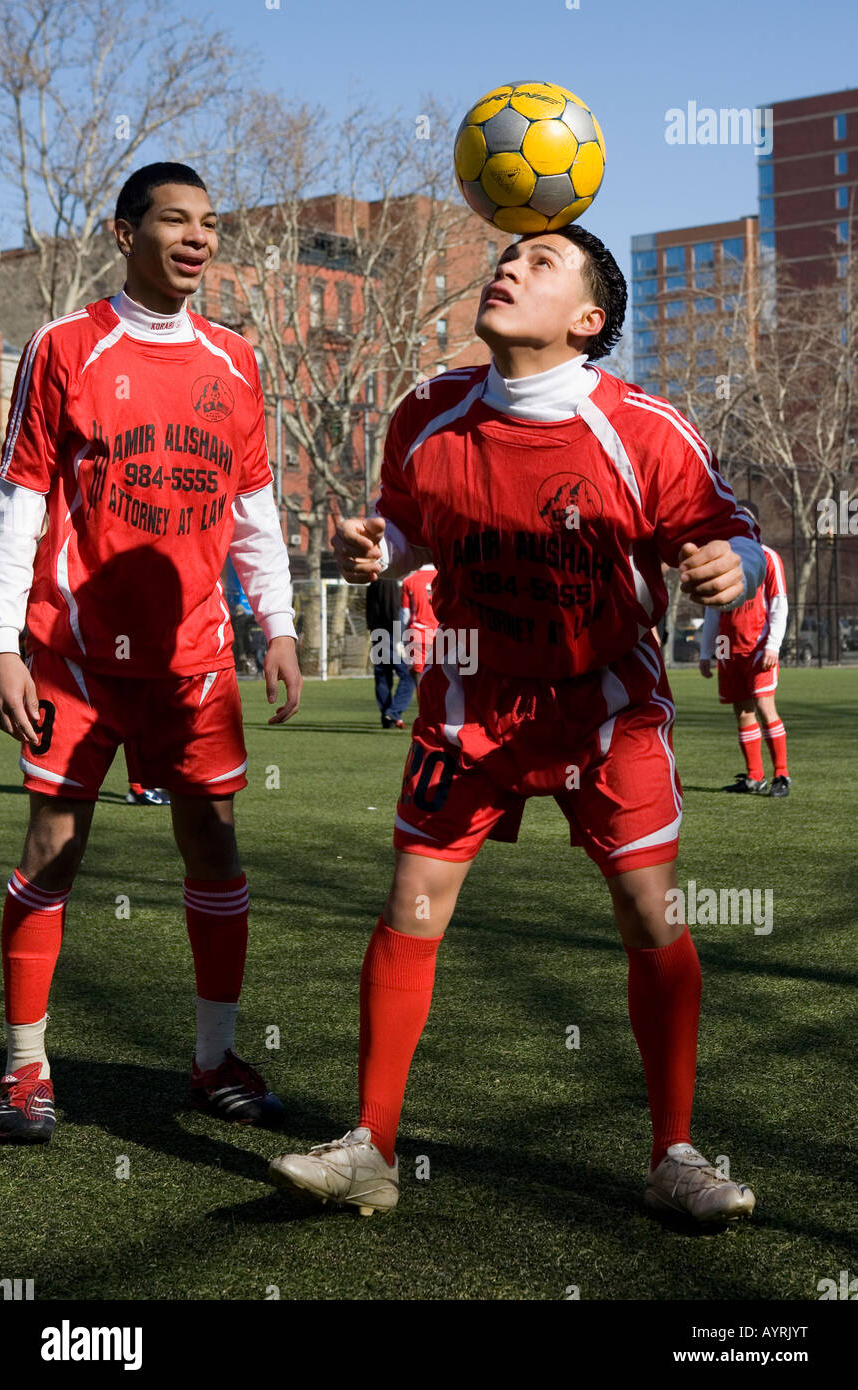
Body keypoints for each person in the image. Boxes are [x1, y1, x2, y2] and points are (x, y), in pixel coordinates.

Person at [269, 225, 765, 1224]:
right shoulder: (425, 410)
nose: (509, 267)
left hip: (604, 713)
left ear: (588, 321)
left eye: (542, 263)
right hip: (471, 700)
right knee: (414, 902)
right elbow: (404, 512)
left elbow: (729, 527)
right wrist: (377, 542)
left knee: (650, 918)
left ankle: (674, 1152)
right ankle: (370, 1146)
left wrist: (733, 566)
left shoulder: (647, 429)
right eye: (508, 256)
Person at [0, 161, 302, 1143]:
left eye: (209, 223)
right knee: (56, 843)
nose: (198, 237)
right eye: (175, 220)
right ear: (124, 233)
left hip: (196, 659)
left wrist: (282, 625)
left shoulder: (236, 360)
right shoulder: (65, 346)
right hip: (74, 652)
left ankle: (214, 1060)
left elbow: (253, 510)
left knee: (211, 836)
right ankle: (27, 1068)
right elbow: (20, 503)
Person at [699, 502, 790, 797]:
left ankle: (781, 776)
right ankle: (754, 777)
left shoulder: (767, 558)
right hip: (729, 651)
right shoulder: (721, 562)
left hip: (759, 648)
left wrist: (773, 646)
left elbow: (779, 604)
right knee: (742, 712)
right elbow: (713, 610)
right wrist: (705, 651)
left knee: (764, 706)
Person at [365, 576, 413, 729]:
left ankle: (387, 716)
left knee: (383, 675)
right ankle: (393, 712)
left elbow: (369, 609)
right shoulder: (389, 581)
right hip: (390, 633)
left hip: (377, 632)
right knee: (408, 674)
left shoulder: (372, 582)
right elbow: (392, 608)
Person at [400, 563, 439, 692]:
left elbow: (405, 614)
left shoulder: (409, 581)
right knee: (443, 678)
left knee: (419, 677)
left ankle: (424, 711)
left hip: (419, 633)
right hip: (443, 634)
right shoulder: (442, 577)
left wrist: (401, 639)